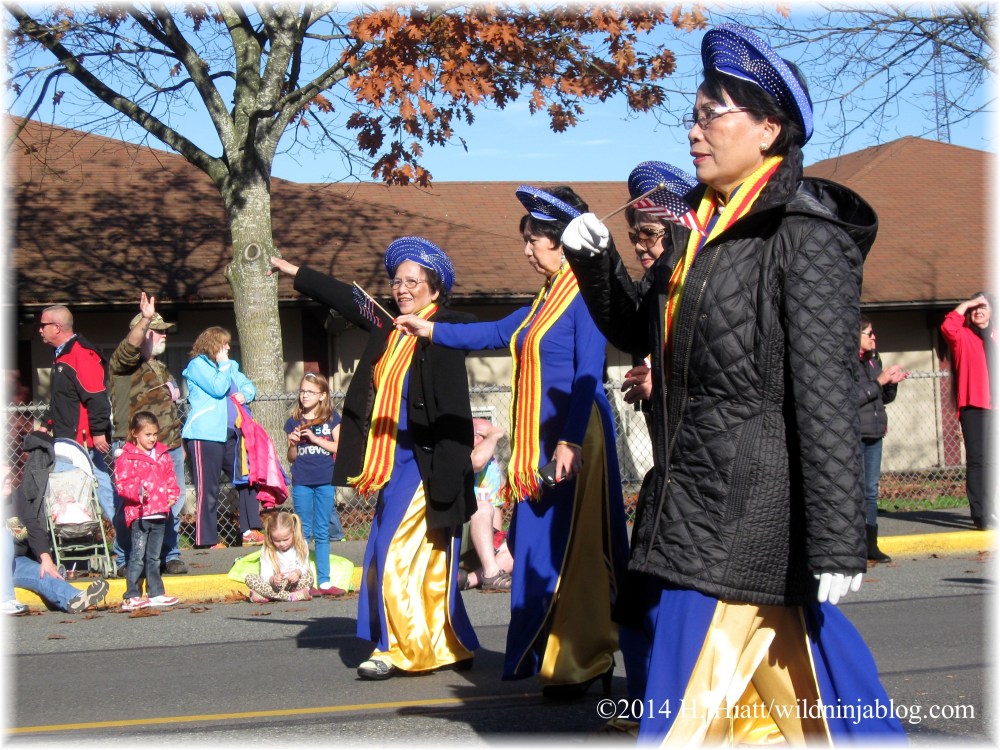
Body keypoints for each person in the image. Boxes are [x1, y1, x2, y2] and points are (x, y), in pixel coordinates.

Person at [560, 23, 904, 742]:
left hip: (746, 511)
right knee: (805, 704)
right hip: (692, 502)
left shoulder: (804, 236)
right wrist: (595, 267)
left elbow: (825, 394)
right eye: (693, 112)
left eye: (713, 112)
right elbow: (638, 333)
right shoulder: (698, 232)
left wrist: (841, 537)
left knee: (688, 715)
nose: (695, 130)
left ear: (769, 129)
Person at [395, 186, 630, 698]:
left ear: (560, 243)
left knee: (577, 553)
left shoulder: (585, 295)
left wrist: (569, 441)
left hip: (573, 437)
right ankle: (558, 654)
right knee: (538, 551)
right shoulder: (544, 301)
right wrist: (427, 331)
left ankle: (586, 658)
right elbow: (492, 332)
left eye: (534, 240)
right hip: (537, 447)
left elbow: (590, 371)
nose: (526, 250)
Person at [268, 236, 479, 681]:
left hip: (427, 464)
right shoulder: (389, 328)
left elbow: (455, 403)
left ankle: (399, 648)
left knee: (399, 553)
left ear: (434, 289)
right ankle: (443, 641)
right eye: (396, 281)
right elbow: (350, 300)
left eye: (412, 282)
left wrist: (451, 472)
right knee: (393, 554)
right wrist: (297, 274)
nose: (401, 289)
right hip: (390, 461)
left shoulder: (443, 331)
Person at [109, 292, 188, 576]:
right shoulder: (124, 365)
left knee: (170, 501)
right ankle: (126, 559)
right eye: (158, 332)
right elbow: (129, 346)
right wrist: (144, 319)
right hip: (135, 449)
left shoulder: (161, 366)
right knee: (132, 503)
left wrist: (179, 446)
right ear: (142, 334)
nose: (164, 336)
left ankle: (169, 555)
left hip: (168, 447)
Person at [37, 305, 119, 569]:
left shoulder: (80, 355)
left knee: (102, 495)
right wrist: (46, 424)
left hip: (80, 443)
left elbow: (96, 396)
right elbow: (63, 399)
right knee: (74, 500)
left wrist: (97, 432)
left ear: (57, 328)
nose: (39, 329)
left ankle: (128, 547)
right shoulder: (62, 356)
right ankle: (78, 558)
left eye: (43, 325)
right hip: (67, 440)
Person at [7, 431, 109, 613]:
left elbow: (33, 527)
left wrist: (46, 559)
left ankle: (75, 598)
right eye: (4, 477)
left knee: (44, 574)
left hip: (16, 562)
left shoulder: (16, 497)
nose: (9, 479)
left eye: (9, 475)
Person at [181, 326, 263, 548]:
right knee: (208, 488)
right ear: (212, 345)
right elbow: (218, 388)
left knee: (247, 479)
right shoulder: (198, 365)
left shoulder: (230, 366)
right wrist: (225, 365)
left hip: (232, 434)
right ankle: (206, 540)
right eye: (224, 343)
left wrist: (246, 394)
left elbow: (248, 385)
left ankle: (250, 530)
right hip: (205, 435)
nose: (228, 347)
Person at [114, 412, 181, 611]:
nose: (152, 438)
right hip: (140, 515)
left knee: (154, 557)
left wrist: (172, 495)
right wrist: (137, 493)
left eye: (155, 434)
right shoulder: (127, 457)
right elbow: (122, 484)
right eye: (147, 434)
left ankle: (156, 592)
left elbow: (171, 479)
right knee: (137, 555)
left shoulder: (163, 454)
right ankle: (131, 595)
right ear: (135, 434)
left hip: (160, 513)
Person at [941, 293, 997, 530]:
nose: (978, 311)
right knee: (978, 461)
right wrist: (966, 304)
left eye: (983, 307)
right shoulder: (962, 336)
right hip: (974, 406)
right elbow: (947, 325)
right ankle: (981, 514)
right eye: (975, 308)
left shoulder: (996, 337)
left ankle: (991, 509)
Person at [284, 372, 342, 595]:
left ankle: (324, 581)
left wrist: (317, 439)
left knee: (322, 530)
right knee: (303, 531)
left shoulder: (332, 418)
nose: (304, 395)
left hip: (326, 480)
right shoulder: (293, 421)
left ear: (322, 395)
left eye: (310, 392)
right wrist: (293, 444)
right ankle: (304, 579)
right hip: (302, 481)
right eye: (302, 391)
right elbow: (291, 457)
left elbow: (339, 447)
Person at [857, 315, 908, 561]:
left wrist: (891, 384)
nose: (874, 337)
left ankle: (871, 544)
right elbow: (850, 398)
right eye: (869, 333)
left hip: (875, 433)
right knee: (853, 490)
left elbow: (882, 398)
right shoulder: (845, 363)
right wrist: (879, 381)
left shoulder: (874, 359)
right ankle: (852, 544)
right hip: (854, 434)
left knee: (871, 491)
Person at [458, 418, 513, 591]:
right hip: (452, 533)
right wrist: (495, 434)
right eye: (483, 435)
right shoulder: (459, 453)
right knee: (481, 506)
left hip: (476, 542)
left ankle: (467, 579)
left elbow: (495, 509)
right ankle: (490, 573)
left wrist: (498, 547)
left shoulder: (491, 467)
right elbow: (476, 461)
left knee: (514, 548)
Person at [244, 510, 313, 603]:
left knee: (309, 578)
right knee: (250, 578)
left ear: (293, 531)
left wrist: (297, 572)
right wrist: (273, 579)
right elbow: (265, 574)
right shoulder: (267, 549)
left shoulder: (301, 544)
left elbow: (304, 566)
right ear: (270, 536)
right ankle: (290, 597)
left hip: (293, 584)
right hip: (274, 586)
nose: (282, 544)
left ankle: (268, 596)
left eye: (286, 539)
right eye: (276, 540)